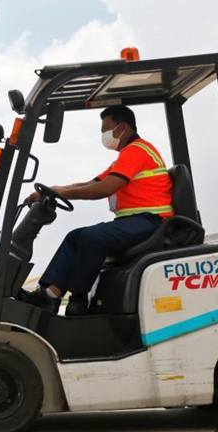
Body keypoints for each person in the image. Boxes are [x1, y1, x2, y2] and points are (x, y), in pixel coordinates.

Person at [21, 105, 174, 316]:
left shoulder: (137, 150)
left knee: (93, 237)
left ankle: (78, 299)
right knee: (75, 237)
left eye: (106, 128)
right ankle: (49, 296)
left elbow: (104, 189)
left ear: (122, 128)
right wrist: (55, 190)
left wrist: (62, 193)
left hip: (152, 221)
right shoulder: (124, 158)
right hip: (134, 221)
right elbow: (89, 183)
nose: (103, 134)